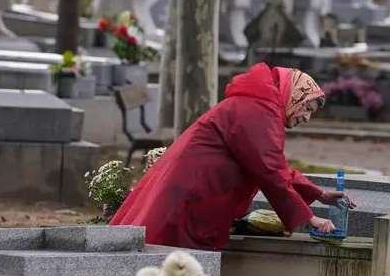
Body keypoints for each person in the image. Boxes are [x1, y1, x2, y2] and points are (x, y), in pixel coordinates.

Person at [111, 63, 356, 250]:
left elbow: (273, 165)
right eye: (307, 108)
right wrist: (310, 218)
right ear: (294, 95)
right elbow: (269, 170)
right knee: (166, 262)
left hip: (193, 190)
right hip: (192, 194)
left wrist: (318, 194)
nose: (306, 118)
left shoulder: (262, 105)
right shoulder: (260, 110)